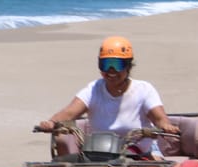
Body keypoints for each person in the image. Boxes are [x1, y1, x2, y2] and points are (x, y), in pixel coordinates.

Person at [37, 35, 179, 159]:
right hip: (101, 152)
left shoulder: (144, 89)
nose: (111, 71)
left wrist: (166, 126)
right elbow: (69, 112)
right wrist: (51, 123)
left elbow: (159, 118)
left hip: (140, 152)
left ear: (128, 66)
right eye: (106, 64)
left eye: (117, 64)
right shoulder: (93, 89)